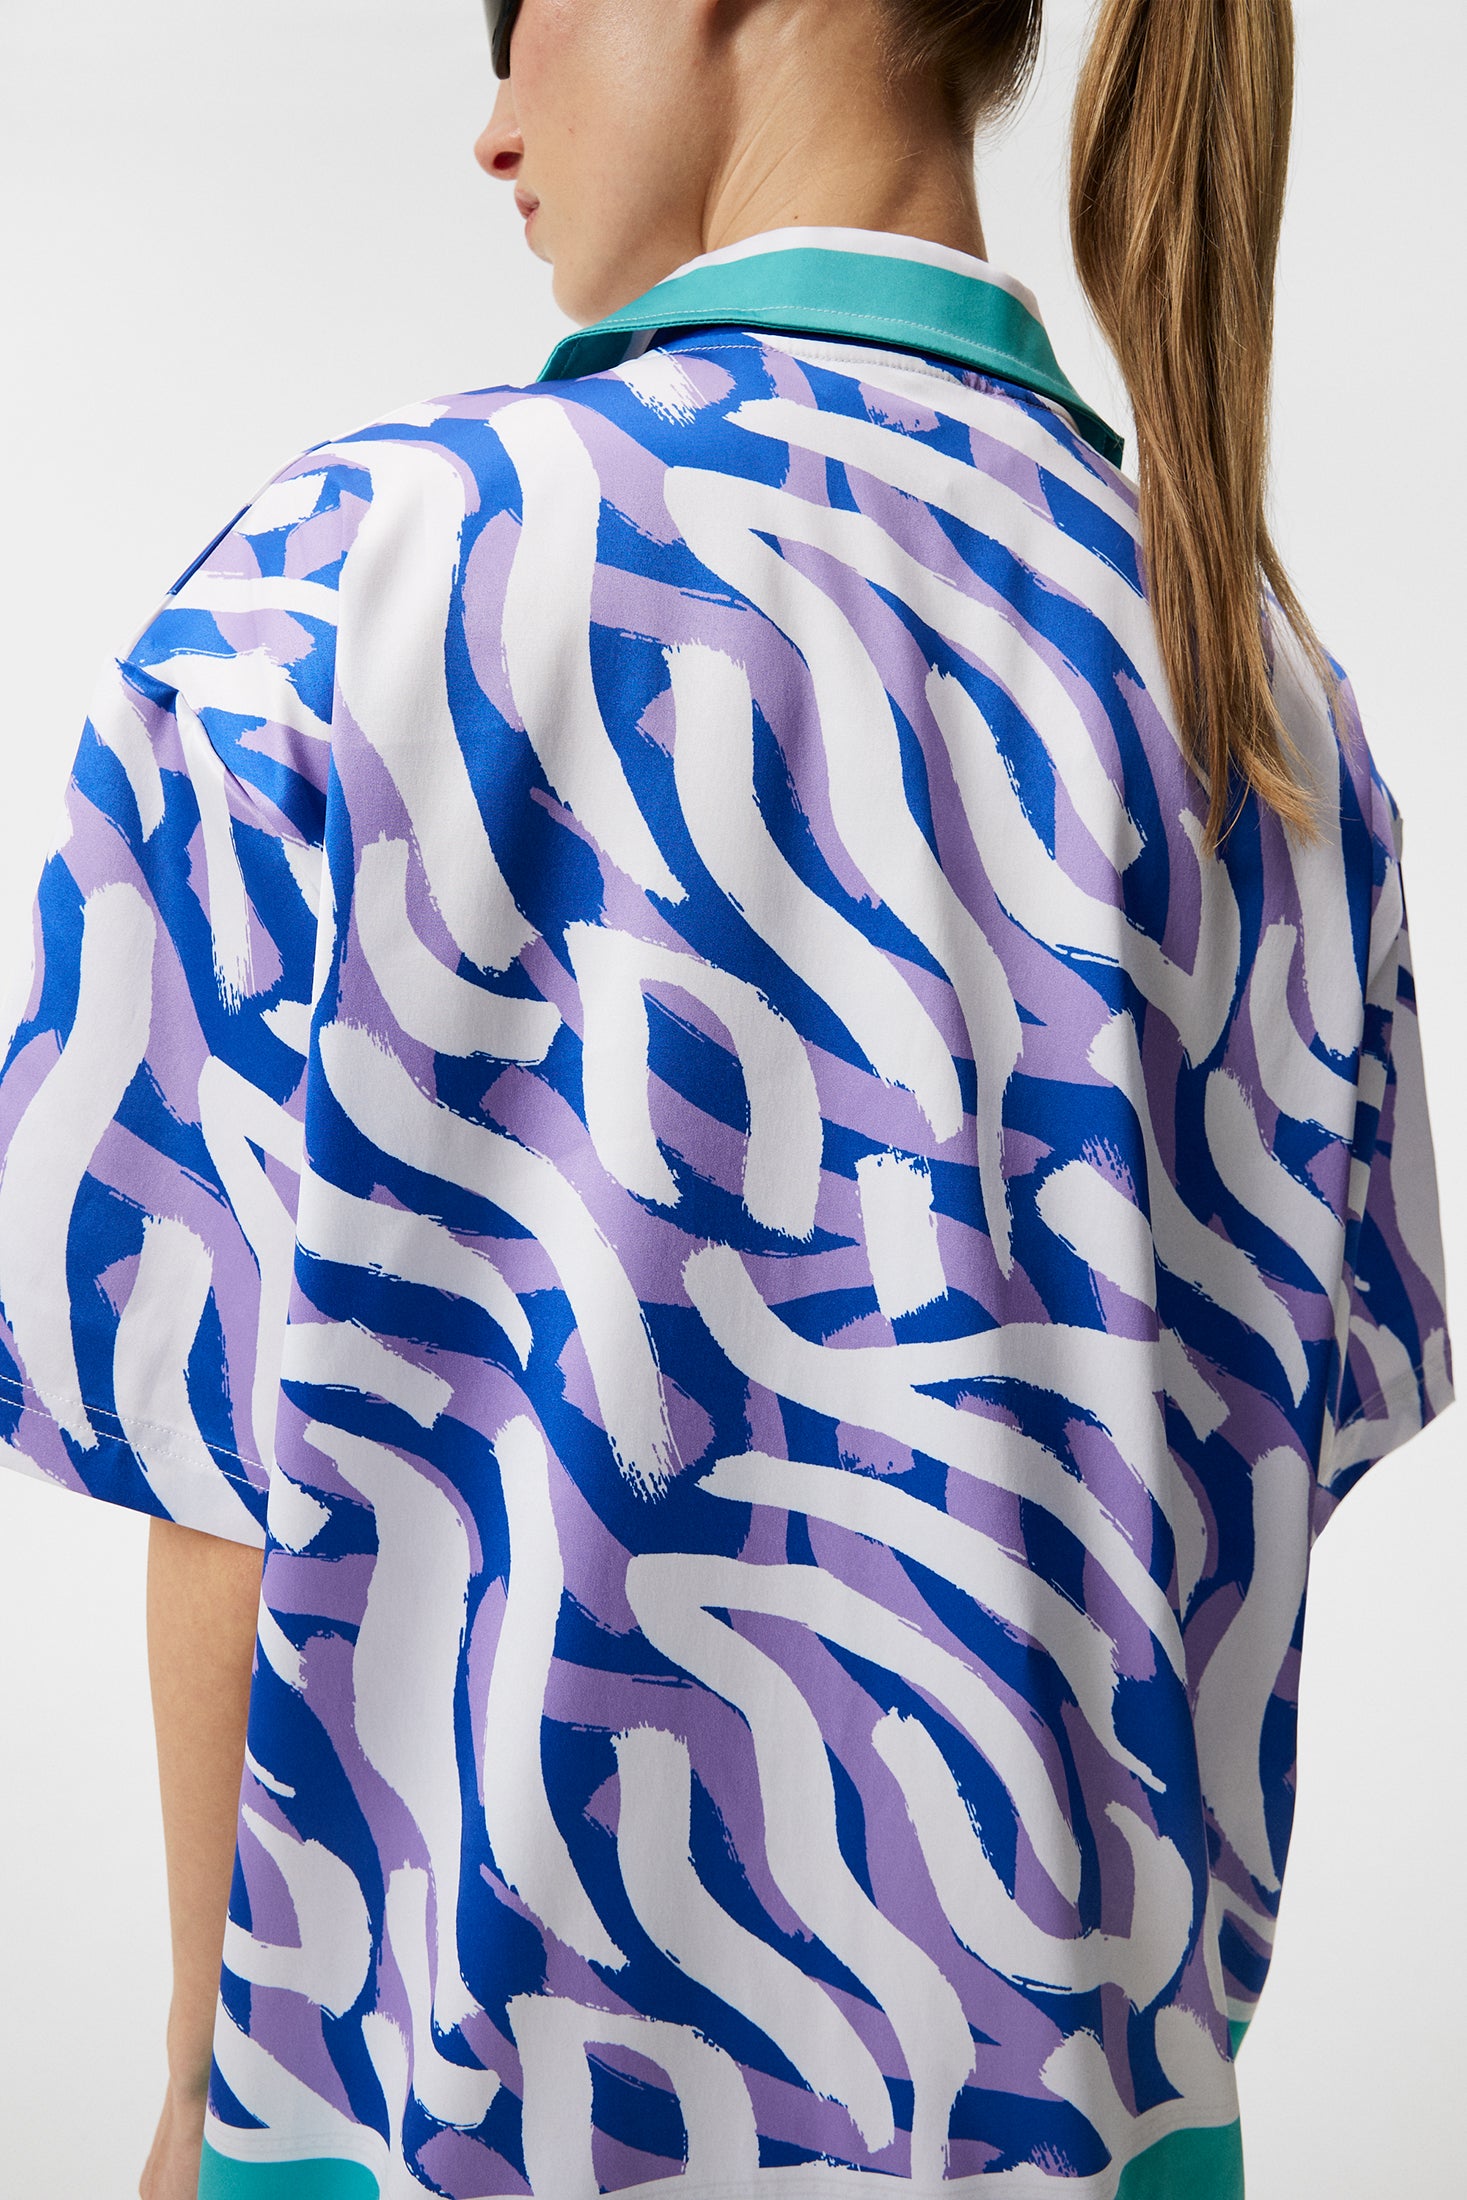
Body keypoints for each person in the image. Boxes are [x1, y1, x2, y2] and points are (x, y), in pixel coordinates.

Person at [0, 0, 1452, 2193]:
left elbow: (218, 1457)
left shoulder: (347, 579)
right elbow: (1256, 1516)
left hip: (456, 2131)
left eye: (515, 23)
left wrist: (201, 2098)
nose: (494, 127)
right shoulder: (1260, 691)